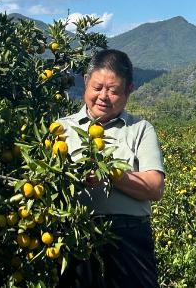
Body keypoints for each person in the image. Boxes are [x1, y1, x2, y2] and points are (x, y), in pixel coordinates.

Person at [57, 49, 165, 288]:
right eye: (97, 87)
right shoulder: (60, 130)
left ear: (129, 90)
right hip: (77, 239)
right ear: (85, 81)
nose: (103, 96)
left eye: (113, 91)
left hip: (129, 239)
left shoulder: (140, 129)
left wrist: (110, 174)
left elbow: (155, 187)